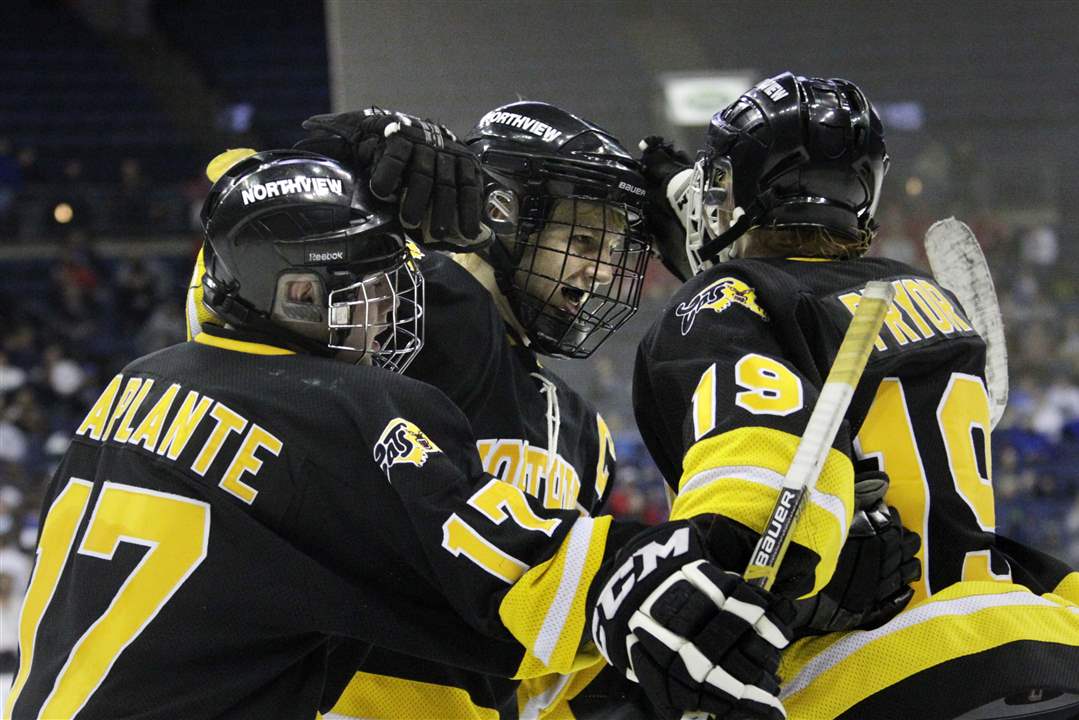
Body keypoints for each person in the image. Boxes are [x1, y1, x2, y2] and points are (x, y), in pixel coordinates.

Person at [3, 149, 663, 719]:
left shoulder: (132, 384)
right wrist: (678, 570)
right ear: (296, 294)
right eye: (366, 294)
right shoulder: (346, 408)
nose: (388, 318)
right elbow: (518, 591)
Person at [186, 103, 656, 719]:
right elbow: (228, 325)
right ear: (502, 214)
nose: (596, 273)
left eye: (611, 247)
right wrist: (331, 184)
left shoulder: (583, 433)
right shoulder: (410, 308)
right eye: (582, 240)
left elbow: (546, 668)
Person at [634, 71, 1079, 718]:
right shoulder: (926, 292)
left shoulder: (722, 302)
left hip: (868, 674)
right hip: (1030, 642)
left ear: (743, 193)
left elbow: (754, 493)